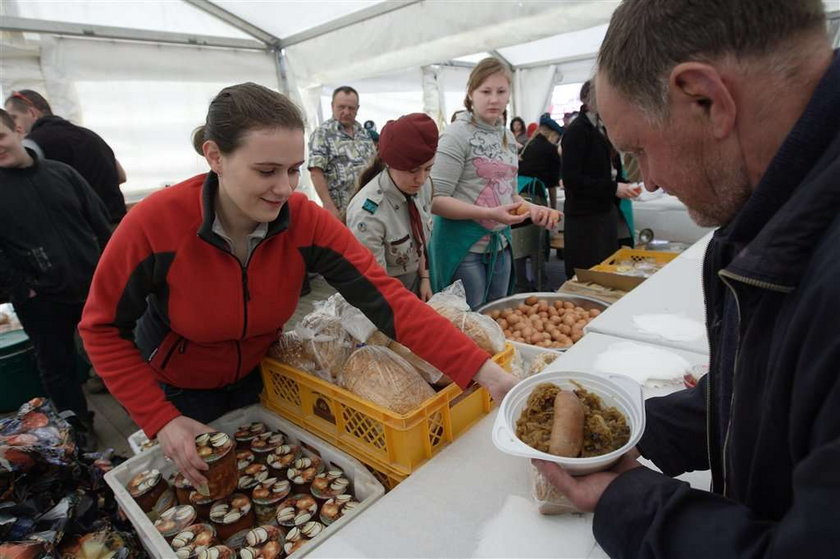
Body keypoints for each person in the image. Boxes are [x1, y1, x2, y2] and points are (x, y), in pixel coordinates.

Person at [78, 83, 517, 486]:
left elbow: (387, 300)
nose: (285, 188)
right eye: (267, 171)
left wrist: (481, 369)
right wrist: (160, 418)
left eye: (294, 170)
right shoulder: (154, 225)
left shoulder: (306, 221)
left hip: (261, 376)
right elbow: (100, 329)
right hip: (179, 391)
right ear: (214, 156)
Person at [536, 0, 840, 556]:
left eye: (639, 152)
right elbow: (762, 395)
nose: (647, 181)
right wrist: (626, 430)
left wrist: (628, 501)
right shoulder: (771, 213)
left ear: (705, 98)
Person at [0, 109, 111, 449]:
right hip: (42, 299)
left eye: (0, 138)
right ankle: (77, 427)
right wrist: (23, 288)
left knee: (117, 347)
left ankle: (146, 408)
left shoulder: (62, 173)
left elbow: (100, 223)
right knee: (57, 367)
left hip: (93, 286)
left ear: (18, 129)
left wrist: (112, 270)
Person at [429, 58, 559, 310]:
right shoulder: (456, 135)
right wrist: (488, 213)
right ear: (470, 93)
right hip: (464, 247)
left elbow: (509, 194)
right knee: (471, 318)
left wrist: (533, 210)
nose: (494, 99)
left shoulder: (506, 136)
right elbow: (434, 199)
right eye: (485, 91)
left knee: (499, 313)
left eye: (501, 92)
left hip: (500, 244)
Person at [346, 113, 437, 301]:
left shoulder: (424, 186)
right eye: (412, 170)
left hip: (417, 280)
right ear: (389, 163)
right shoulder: (367, 213)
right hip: (384, 294)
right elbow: (376, 285)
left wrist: (425, 278)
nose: (421, 179)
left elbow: (420, 238)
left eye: (428, 168)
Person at [4, 89, 128, 226]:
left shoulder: (32, 144)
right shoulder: (90, 135)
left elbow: (25, 192)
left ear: (32, 113)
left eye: (13, 118)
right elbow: (121, 176)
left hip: (84, 231)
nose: (13, 125)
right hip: (121, 225)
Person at [560, 80, 640, 279]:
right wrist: (613, 188)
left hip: (604, 212)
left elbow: (609, 167)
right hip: (585, 217)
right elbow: (571, 180)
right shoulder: (577, 131)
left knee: (606, 268)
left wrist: (623, 183)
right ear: (588, 99)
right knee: (589, 274)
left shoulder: (602, 127)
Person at [307, 86, 376, 220]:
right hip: (341, 210)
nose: (346, 112)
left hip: (368, 206)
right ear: (332, 106)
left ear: (357, 109)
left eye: (351, 108)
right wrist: (328, 205)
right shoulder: (323, 133)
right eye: (341, 107)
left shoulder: (364, 133)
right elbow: (316, 172)